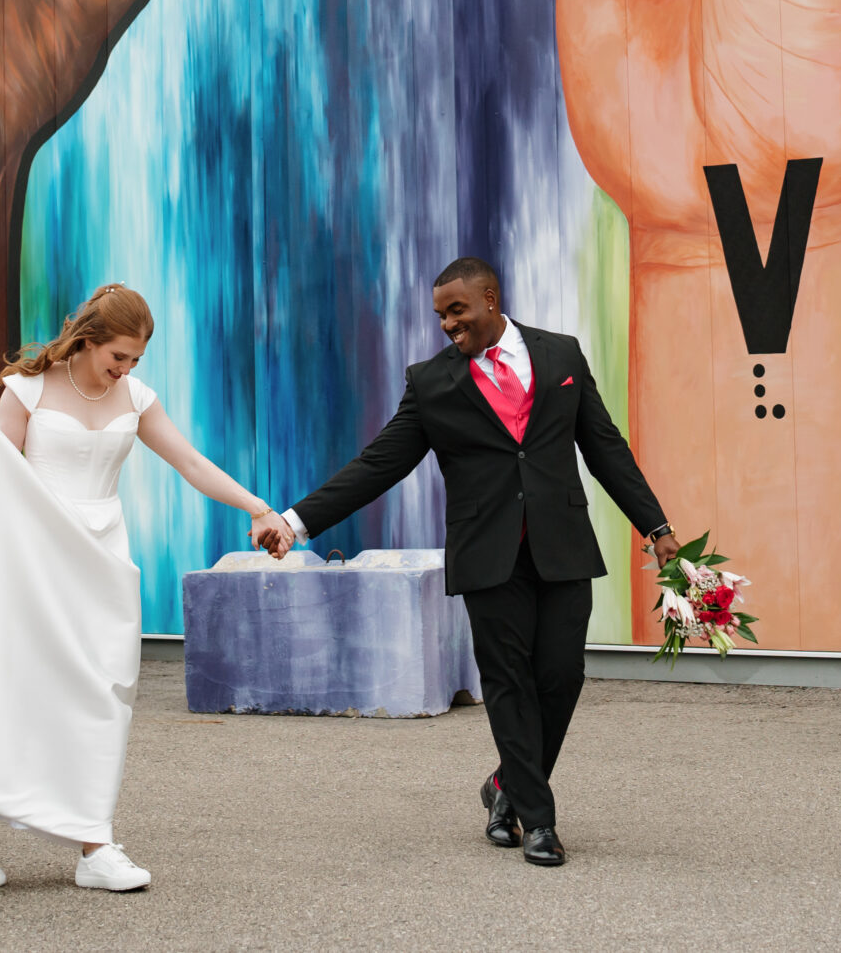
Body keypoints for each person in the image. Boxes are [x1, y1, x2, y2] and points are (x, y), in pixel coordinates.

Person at [0, 284, 291, 894]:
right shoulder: (25, 389)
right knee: (3, 695)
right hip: (32, 562)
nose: (126, 370)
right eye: (119, 356)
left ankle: (96, 846)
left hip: (104, 562)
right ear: (87, 340)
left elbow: (190, 463)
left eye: (136, 360)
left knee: (103, 697)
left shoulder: (136, 398)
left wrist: (260, 508)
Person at [258, 257, 682, 867]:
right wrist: (295, 523)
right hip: (487, 554)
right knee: (508, 681)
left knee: (561, 678)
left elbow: (605, 446)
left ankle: (506, 785)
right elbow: (378, 465)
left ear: (490, 296)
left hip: (562, 545)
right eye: (439, 316)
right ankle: (539, 822)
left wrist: (657, 526)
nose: (447, 325)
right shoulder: (431, 383)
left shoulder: (561, 355)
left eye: (457, 311)